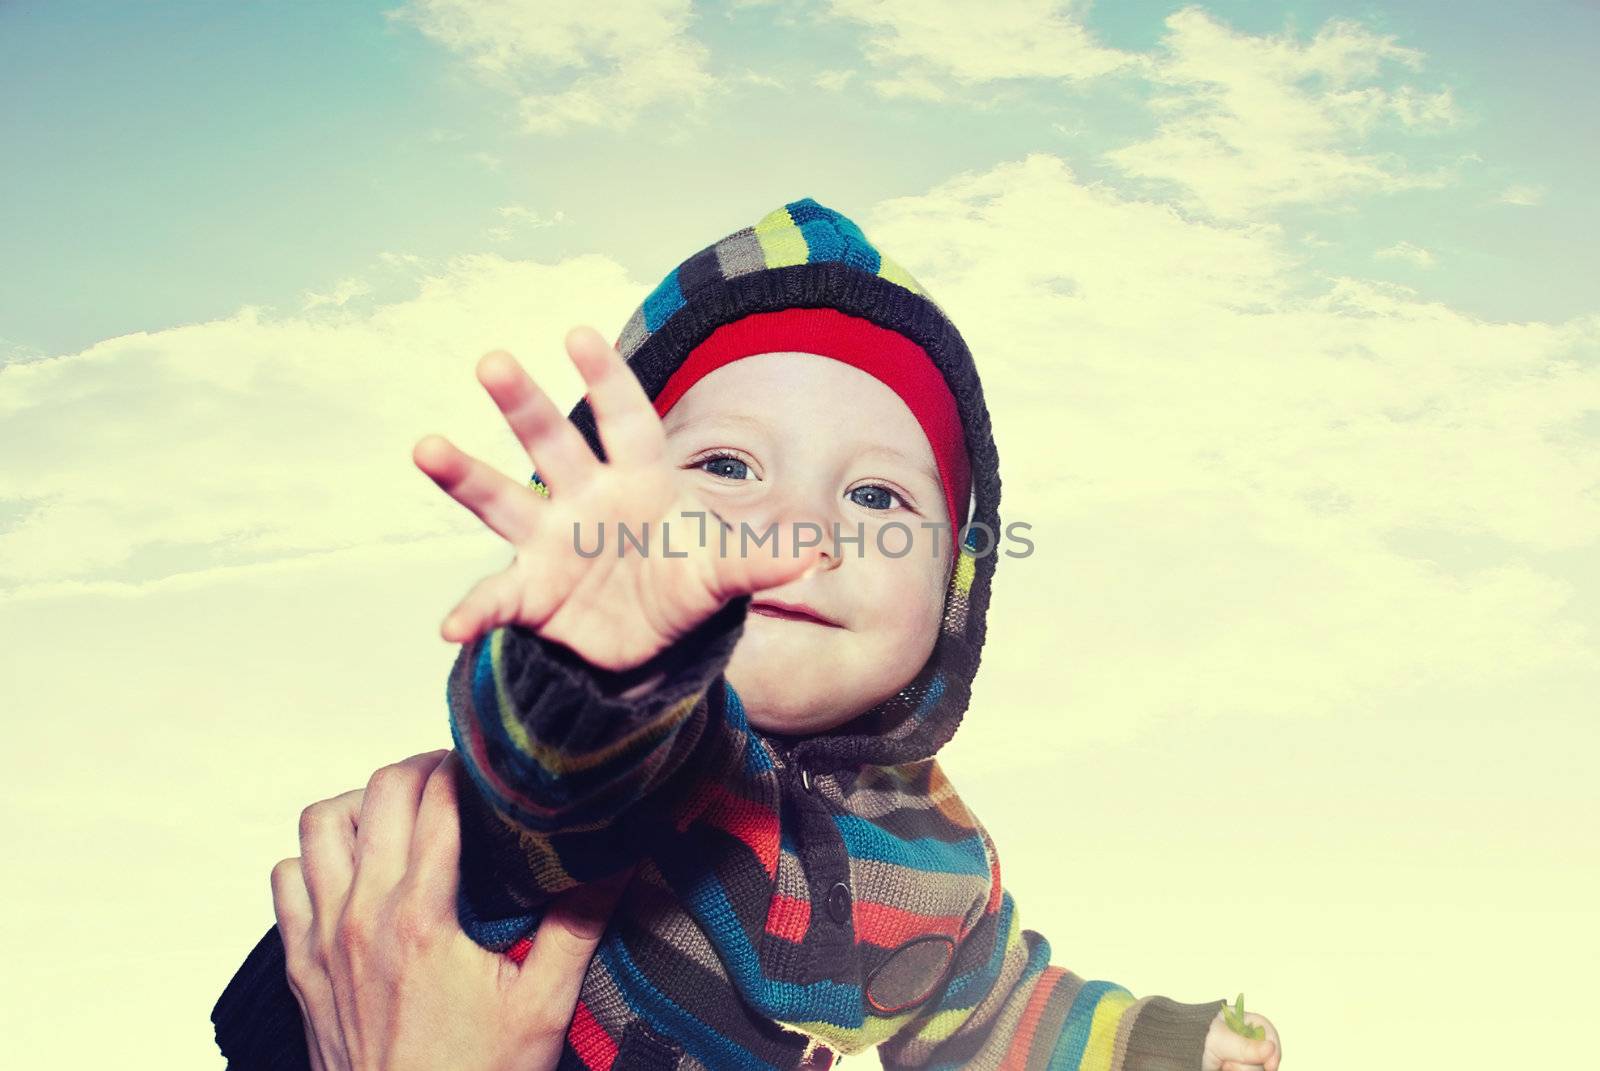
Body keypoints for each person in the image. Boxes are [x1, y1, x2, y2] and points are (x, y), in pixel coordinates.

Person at [213, 197, 1283, 1071]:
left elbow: (999, 1016)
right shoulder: (631, 752)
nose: (798, 527)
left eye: (876, 498)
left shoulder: (935, 853)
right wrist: (605, 653)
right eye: (724, 468)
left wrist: (1163, 1046)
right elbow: (550, 770)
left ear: (954, 595)